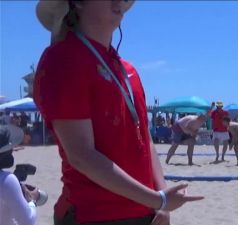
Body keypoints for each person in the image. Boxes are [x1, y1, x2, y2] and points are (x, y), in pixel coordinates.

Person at [34, 1, 203, 224]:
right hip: (94, 214)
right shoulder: (64, 58)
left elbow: (146, 139)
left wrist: (161, 198)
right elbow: (82, 155)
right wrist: (157, 200)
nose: (119, 2)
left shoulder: (126, 69)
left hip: (145, 210)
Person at [0, 125, 39, 225]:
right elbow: (28, 220)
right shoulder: (6, 180)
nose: (12, 150)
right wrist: (32, 200)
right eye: (9, 148)